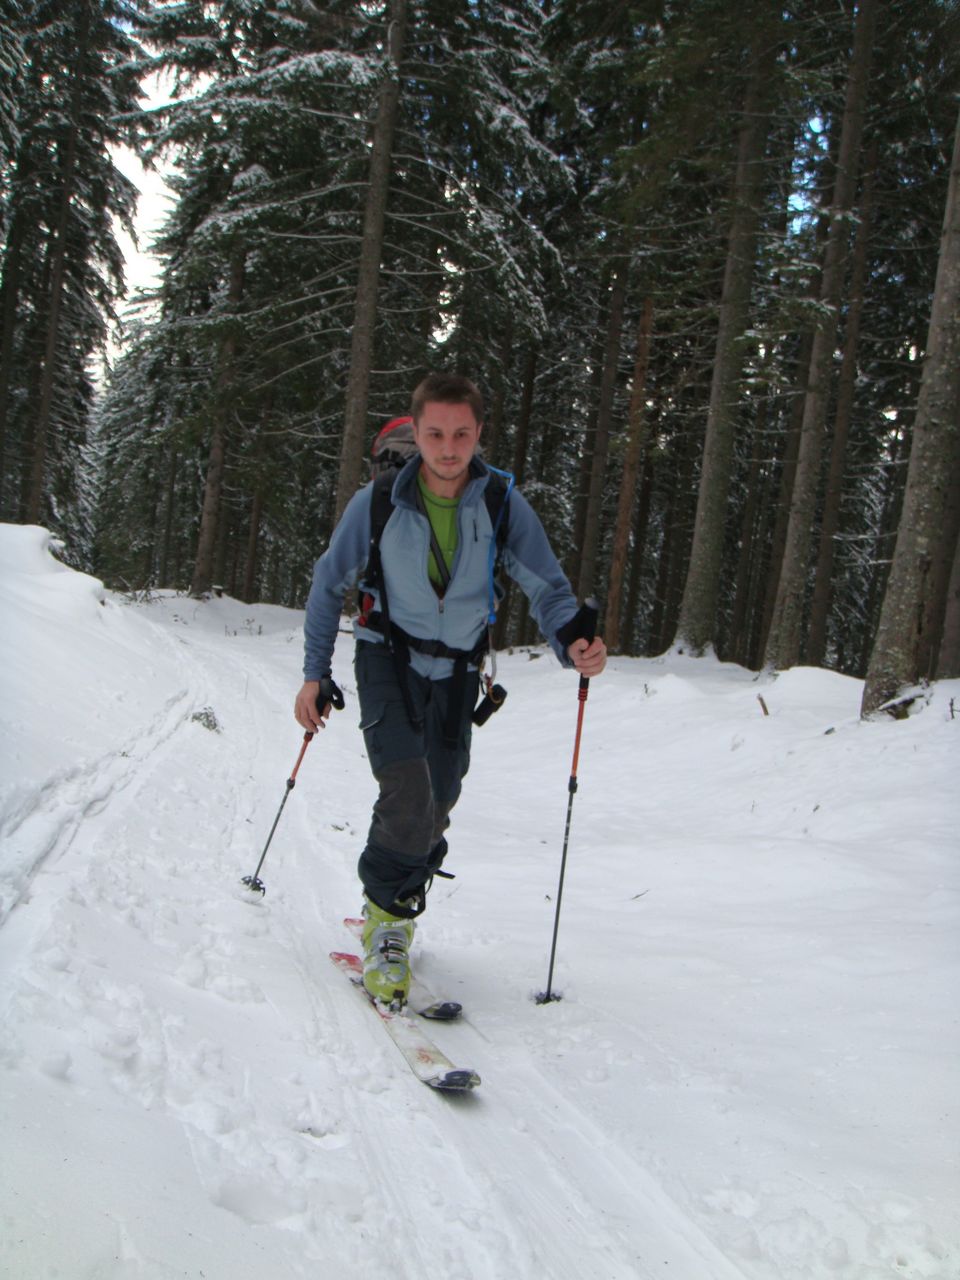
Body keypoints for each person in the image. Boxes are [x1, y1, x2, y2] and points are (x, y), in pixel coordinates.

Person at [294, 372, 606, 1005]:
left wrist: (572, 640)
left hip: (460, 668)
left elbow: (547, 587)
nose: (448, 447)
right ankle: (388, 923)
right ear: (416, 432)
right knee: (408, 789)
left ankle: (393, 896)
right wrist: (314, 672)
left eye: (461, 434)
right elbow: (329, 584)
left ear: (479, 433)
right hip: (386, 655)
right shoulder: (379, 502)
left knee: (438, 801)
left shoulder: (501, 504)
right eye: (435, 433)